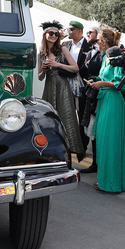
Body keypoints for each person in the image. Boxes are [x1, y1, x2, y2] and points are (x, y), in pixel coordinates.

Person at [86, 26, 125, 193]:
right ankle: (104, 180)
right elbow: (106, 77)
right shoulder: (105, 57)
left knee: (111, 142)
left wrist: (101, 83)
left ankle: (112, 183)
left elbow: (120, 84)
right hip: (104, 101)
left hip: (113, 102)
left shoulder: (117, 56)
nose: (95, 42)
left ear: (103, 42)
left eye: (97, 40)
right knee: (103, 141)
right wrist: (95, 80)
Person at [38, 20, 85, 158]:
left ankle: (69, 152)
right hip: (49, 87)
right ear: (45, 35)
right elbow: (40, 77)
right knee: (49, 120)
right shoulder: (41, 53)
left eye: (56, 34)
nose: (54, 36)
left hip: (63, 88)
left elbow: (75, 68)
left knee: (66, 119)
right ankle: (51, 152)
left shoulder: (63, 49)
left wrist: (58, 65)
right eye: (51, 33)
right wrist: (45, 70)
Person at [62, 20, 93, 160]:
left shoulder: (90, 46)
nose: (69, 31)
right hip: (66, 85)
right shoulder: (65, 45)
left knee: (82, 118)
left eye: (71, 29)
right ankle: (67, 146)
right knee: (67, 115)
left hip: (83, 88)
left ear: (79, 31)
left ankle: (81, 149)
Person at [80, 26, 104, 174]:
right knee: (92, 130)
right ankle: (95, 163)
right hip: (91, 95)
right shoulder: (89, 53)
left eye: (92, 33)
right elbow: (83, 71)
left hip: (101, 95)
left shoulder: (106, 54)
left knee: (99, 131)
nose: (89, 35)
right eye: (87, 33)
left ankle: (99, 163)